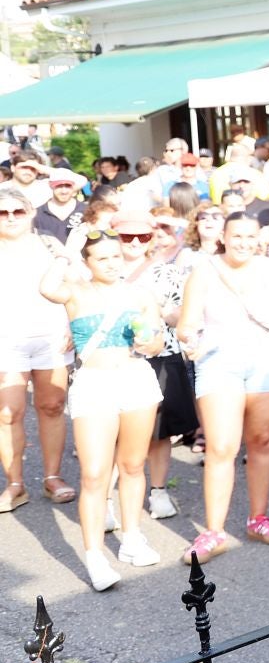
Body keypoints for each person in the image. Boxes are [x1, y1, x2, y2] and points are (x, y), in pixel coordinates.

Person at [177, 213, 269, 562]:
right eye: (237, 235)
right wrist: (190, 338)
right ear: (223, 235)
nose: (243, 243)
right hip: (219, 361)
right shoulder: (204, 269)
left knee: (263, 441)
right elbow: (186, 322)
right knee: (222, 446)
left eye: (250, 236)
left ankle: (259, 518)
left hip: (266, 361)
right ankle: (213, 531)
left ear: (259, 238)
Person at [39, 230, 168, 588]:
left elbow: (157, 342)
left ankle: (130, 538)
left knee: (131, 465)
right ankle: (94, 555)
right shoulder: (76, 292)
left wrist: (149, 341)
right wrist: (66, 253)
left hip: (136, 380)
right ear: (88, 263)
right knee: (94, 474)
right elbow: (47, 287)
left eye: (116, 256)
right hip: (93, 385)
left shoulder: (140, 294)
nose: (112, 263)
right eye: (102, 258)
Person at [116, 210, 195, 520]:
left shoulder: (166, 271)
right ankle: (114, 494)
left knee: (160, 431)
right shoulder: (101, 267)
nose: (135, 242)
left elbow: (180, 317)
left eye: (143, 236)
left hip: (161, 356)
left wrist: (157, 307)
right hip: (115, 359)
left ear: (151, 238)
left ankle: (159, 490)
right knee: (115, 430)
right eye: (126, 236)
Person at [0, 185, 72, 509]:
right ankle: (15, 484)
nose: (11, 218)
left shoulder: (49, 243)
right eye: (3, 212)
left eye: (18, 211)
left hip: (51, 335)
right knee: (7, 412)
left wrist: (76, 325)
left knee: (52, 405)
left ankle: (51, 477)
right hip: (6, 340)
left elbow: (73, 285)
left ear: (30, 212)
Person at [33, 167, 86, 238]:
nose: (64, 191)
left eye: (68, 186)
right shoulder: (37, 214)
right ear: (50, 185)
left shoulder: (86, 210)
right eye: (59, 186)